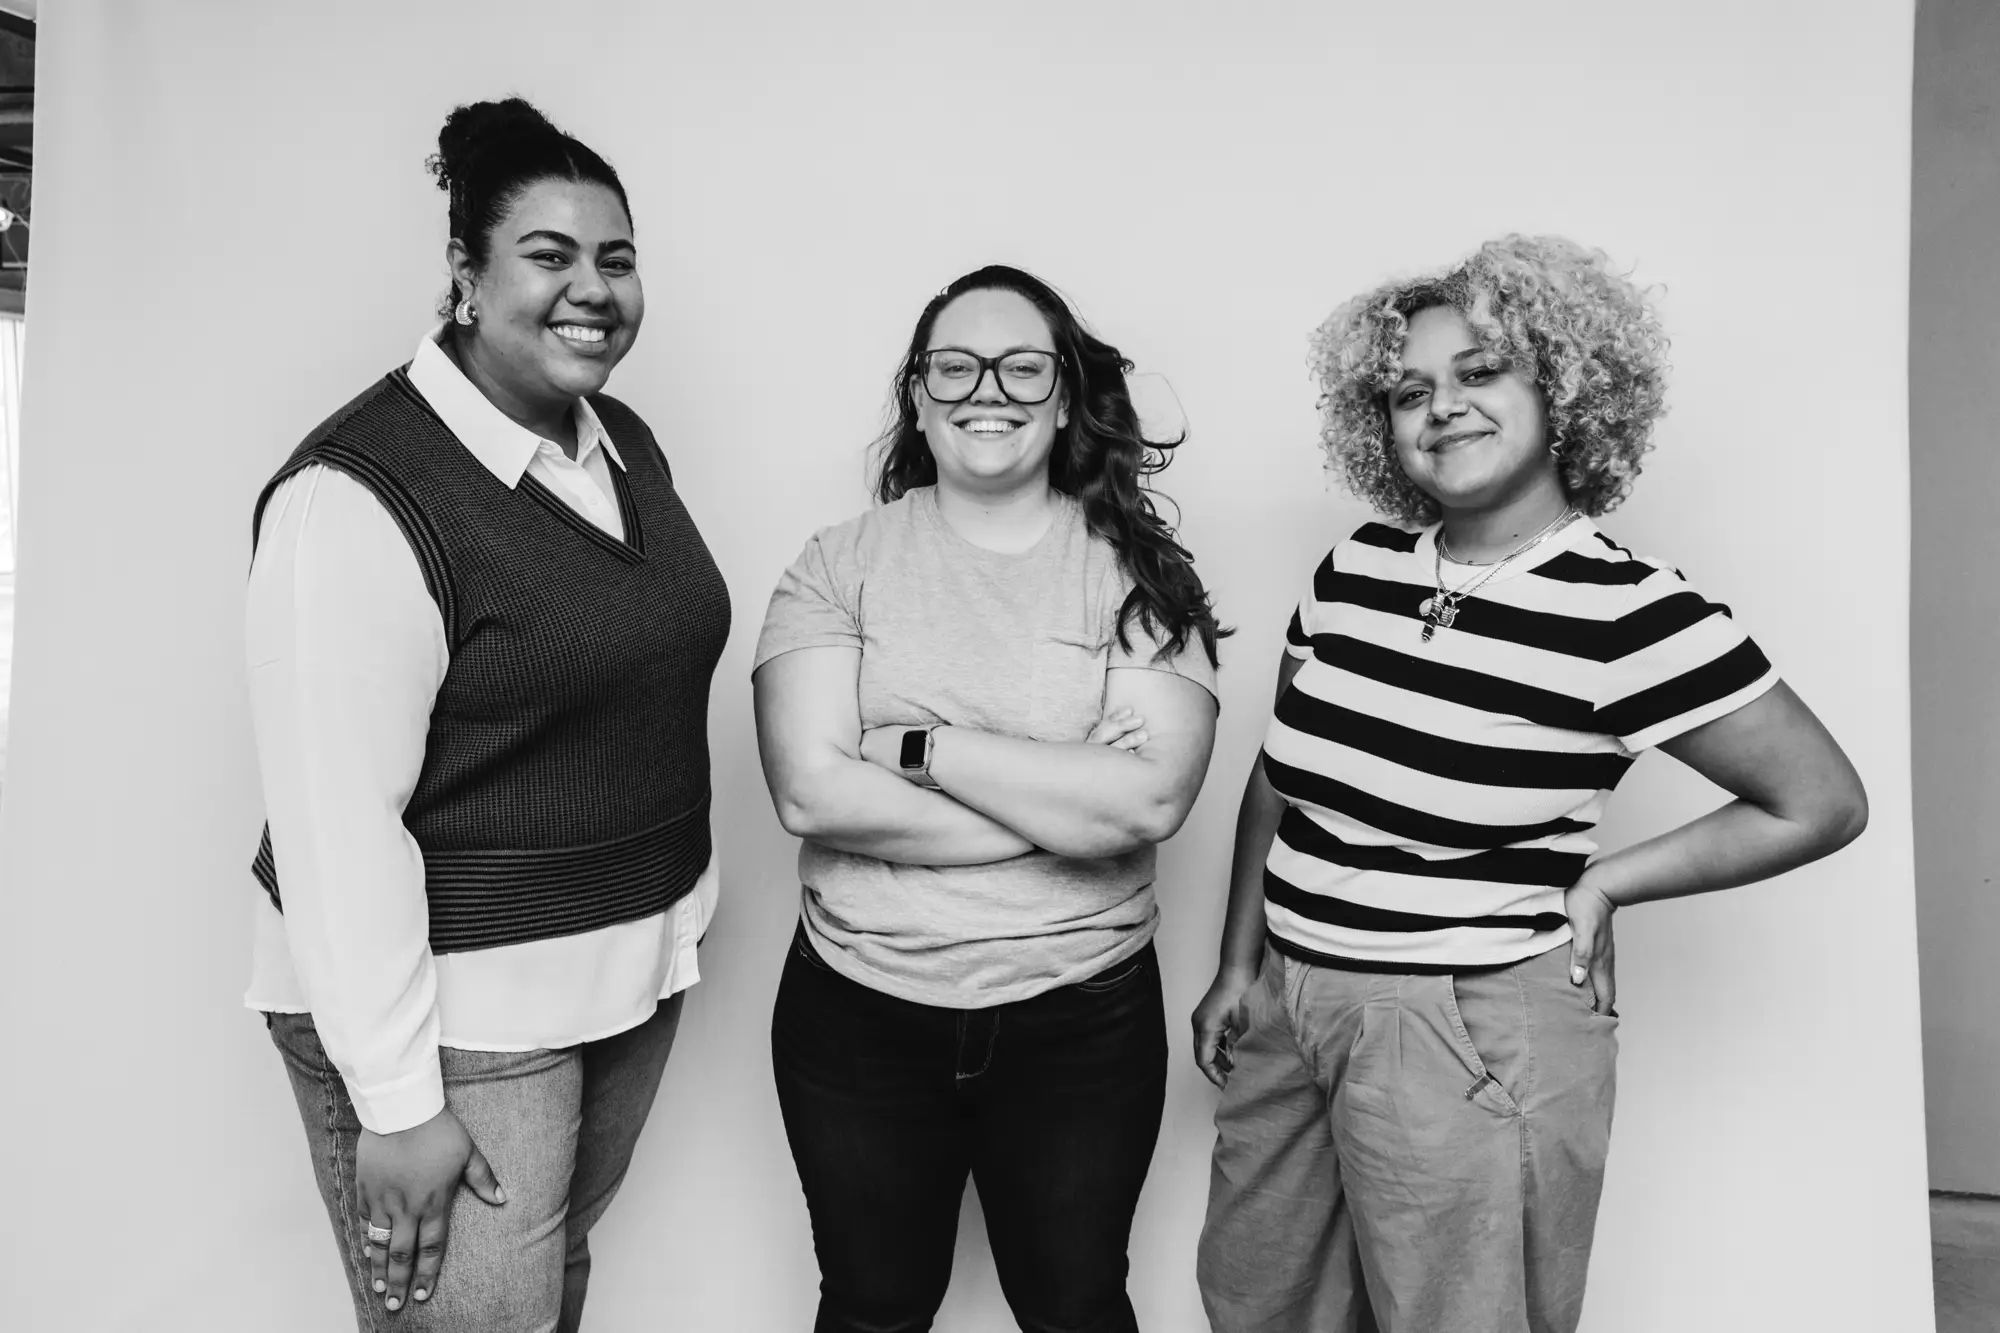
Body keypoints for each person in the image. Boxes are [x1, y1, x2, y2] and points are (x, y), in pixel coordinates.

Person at [1191, 235, 1869, 1333]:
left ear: (1561, 389)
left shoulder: (1627, 610)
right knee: (1258, 1302)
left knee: (1461, 1318)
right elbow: (1279, 777)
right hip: (1292, 1002)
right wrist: (1236, 964)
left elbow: (1820, 801)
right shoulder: (1352, 571)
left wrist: (1606, 882)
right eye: (1408, 389)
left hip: (1468, 1021)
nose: (1439, 408)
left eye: (1478, 372)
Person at [243, 98, 731, 1331]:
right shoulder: (354, 496)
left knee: (547, 1292)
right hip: (452, 1020)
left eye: (615, 259)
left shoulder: (618, 441)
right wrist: (397, 1103)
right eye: (550, 256)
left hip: (621, 974)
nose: (593, 290)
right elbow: (334, 821)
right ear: (464, 274)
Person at [752, 265, 1225, 1333]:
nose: (987, 390)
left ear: (1063, 395)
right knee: (873, 1306)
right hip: (856, 1010)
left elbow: (1146, 807)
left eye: (1021, 366)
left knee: (1072, 1307)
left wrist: (916, 747)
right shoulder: (837, 566)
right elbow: (810, 793)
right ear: (917, 396)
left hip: (1082, 1015)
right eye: (954, 366)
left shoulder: (1138, 577)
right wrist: (1054, 795)